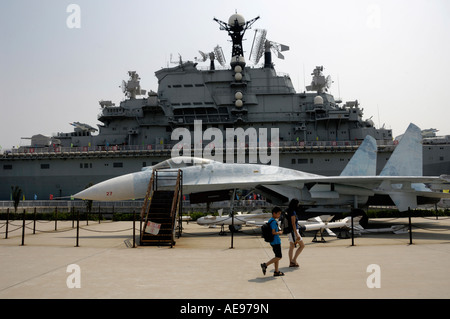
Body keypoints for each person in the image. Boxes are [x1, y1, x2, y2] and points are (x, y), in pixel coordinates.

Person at [260, 207, 284, 276]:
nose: (279, 215)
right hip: (276, 241)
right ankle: (265, 265)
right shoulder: (273, 222)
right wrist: (279, 232)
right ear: (274, 213)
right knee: (279, 257)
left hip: (273, 241)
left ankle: (276, 271)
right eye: (278, 214)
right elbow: (273, 232)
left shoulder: (270, 220)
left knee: (276, 256)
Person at [286, 199, 305, 268]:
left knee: (291, 247)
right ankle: (294, 260)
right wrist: (296, 234)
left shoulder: (288, 210)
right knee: (302, 245)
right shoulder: (293, 212)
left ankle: (291, 262)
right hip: (294, 231)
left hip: (289, 231)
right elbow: (293, 223)